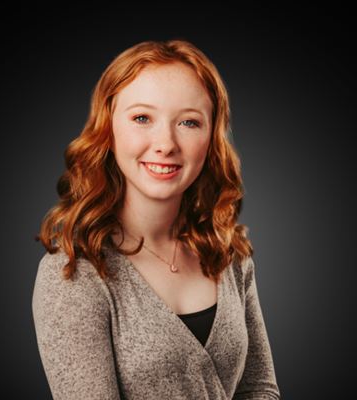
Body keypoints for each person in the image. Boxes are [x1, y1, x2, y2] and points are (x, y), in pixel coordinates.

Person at [32, 39, 281, 400]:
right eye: (142, 118)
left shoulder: (228, 253)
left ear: (212, 137)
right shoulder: (74, 272)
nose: (166, 143)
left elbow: (260, 388)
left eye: (189, 122)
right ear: (108, 129)